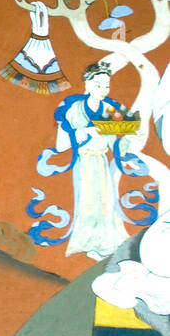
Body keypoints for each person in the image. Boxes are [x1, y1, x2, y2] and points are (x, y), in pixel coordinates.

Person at [37, 63, 147, 260]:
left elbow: (119, 142)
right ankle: (88, 242)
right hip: (85, 161)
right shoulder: (75, 108)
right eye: (98, 85)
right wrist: (85, 132)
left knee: (105, 202)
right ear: (87, 85)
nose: (103, 90)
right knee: (88, 202)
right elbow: (62, 143)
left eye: (106, 85)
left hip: (102, 161)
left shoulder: (110, 109)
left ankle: (106, 244)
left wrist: (131, 136)